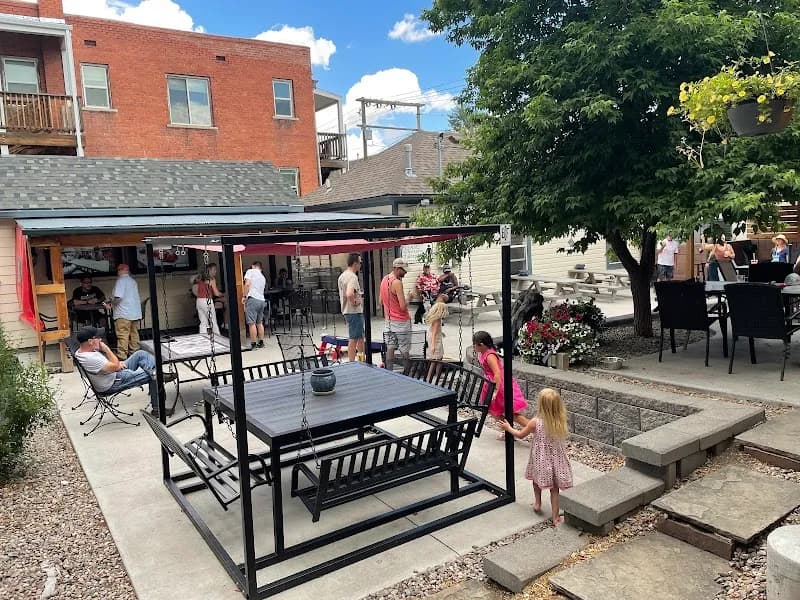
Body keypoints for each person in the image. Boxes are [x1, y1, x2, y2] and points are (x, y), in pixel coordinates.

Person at [499, 388, 573, 526]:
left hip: (540, 459)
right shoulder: (560, 420)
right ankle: (556, 518)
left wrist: (508, 428)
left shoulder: (535, 422)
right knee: (554, 488)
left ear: (541, 405)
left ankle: (537, 503)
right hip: (557, 458)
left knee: (535, 480)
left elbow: (520, 434)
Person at [73, 326, 176, 418]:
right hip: (114, 382)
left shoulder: (82, 351)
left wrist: (117, 365)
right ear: (90, 341)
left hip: (113, 373)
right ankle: (158, 408)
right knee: (155, 375)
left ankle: (155, 374)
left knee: (141, 354)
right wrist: (107, 349)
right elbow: (114, 366)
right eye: (98, 338)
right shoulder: (90, 358)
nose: (100, 340)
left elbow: (112, 366)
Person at [472, 330, 530, 439]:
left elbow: (497, 373)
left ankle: (536, 431)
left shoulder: (490, 356)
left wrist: (495, 390)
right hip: (490, 384)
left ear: (482, 345)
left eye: (475, 344)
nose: (474, 347)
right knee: (494, 411)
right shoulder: (483, 352)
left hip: (499, 385)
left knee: (512, 413)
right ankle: (508, 432)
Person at [380, 257, 412, 371]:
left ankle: (389, 371)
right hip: (401, 321)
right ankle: (408, 374)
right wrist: (409, 298)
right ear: (398, 269)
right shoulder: (397, 282)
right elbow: (403, 306)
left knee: (390, 347)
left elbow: (380, 301)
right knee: (404, 348)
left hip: (389, 320)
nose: (406, 272)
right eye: (404, 270)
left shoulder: (384, 279)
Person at [105, 263, 141, 359]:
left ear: (120, 270)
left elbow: (118, 297)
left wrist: (111, 304)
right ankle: (135, 352)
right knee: (134, 333)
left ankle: (122, 355)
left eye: (118, 270)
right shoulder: (132, 281)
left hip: (123, 313)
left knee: (122, 334)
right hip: (134, 312)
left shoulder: (121, 281)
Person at [337, 253, 364, 361]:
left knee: (360, 337)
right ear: (355, 263)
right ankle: (352, 362)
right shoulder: (352, 277)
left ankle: (362, 358)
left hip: (347, 311)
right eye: (360, 262)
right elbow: (349, 293)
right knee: (354, 338)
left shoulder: (343, 276)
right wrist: (354, 302)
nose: (360, 265)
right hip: (354, 311)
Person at [242, 261, 267, 349]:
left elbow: (247, 284)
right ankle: (261, 342)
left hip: (253, 299)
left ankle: (253, 344)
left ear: (253, 266)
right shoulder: (263, 277)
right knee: (259, 322)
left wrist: (244, 296)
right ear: (261, 268)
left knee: (251, 323)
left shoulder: (250, 271)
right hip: (261, 300)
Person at [195, 263, 224, 336]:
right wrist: (224, 294)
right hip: (207, 301)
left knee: (203, 321)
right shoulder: (212, 279)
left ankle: (203, 336)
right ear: (209, 270)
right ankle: (218, 336)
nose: (215, 271)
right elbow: (216, 293)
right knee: (213, 320)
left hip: (199, 301)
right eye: (214, 269)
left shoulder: (200, 278)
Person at [424, 295, 449, 360]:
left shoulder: (434, 318)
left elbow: (433, 330)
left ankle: (437, 370)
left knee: (437, 357)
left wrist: (441, 332)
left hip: (433, 336)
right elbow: (434, 333)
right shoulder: (437, 320)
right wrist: (433, 345)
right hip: (435, 339)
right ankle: (433, 370)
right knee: (437, 357)